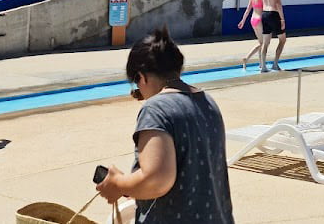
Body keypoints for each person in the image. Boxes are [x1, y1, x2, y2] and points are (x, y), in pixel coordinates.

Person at [96, 26, 234, 223]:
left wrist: (118, 183)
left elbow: (156, 179)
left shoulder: (156, 110)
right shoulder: (208, 102)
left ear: (141, 77)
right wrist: (132, 185)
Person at [258, 0, 286, 72]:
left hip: (264, 14)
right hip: (273, 14)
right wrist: (282, 19)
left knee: (266, 42)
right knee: (282, 40)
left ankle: (263, 66)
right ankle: (275, 64)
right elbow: (278, 3)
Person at [237, 0, 267, 69]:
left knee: (260, 42)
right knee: (263, 43)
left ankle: (261, 64)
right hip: (260, 20)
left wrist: (243, 21)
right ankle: (247, 58)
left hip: (253, 20)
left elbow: (247, 10)